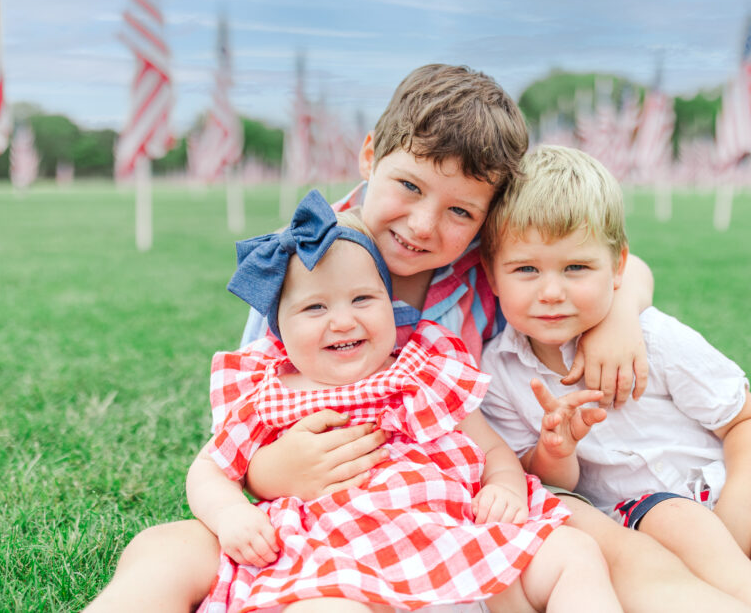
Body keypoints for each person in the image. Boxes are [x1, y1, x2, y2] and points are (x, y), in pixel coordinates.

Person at [86, 64, 656, 612]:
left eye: (460, 210)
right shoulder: (298, 268)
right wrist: (264, 478)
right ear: (369, 156)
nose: (424, 225)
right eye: (408, 185)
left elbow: (606, 265)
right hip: (318, 523)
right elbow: (231, 446)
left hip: (448, 512)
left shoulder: (467, 296)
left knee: (586, 548)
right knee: (166, 552)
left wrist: (620, 315)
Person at [477, 144, 751, 613]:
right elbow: (549, 479)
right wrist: (554, 449)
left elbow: (747, 423)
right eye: (526, 269)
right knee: (680, 521)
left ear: (618, 267)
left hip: (747, 483)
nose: (551, 291)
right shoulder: (500, 372)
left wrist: (737, 519)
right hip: (649, 512)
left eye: (576, 268)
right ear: (491, 275)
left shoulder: (651, 336)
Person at [186, 190, 622, 612]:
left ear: (389, 302)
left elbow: (490, 447)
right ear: (277, 325)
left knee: (573, 553)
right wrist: (229, 516)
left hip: (461, 537)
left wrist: (503, 485)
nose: (343, 320)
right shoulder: (270, 389)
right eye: (315, 308)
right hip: (340, 562)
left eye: (363, 299)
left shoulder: (420, 369)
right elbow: (209, 469)